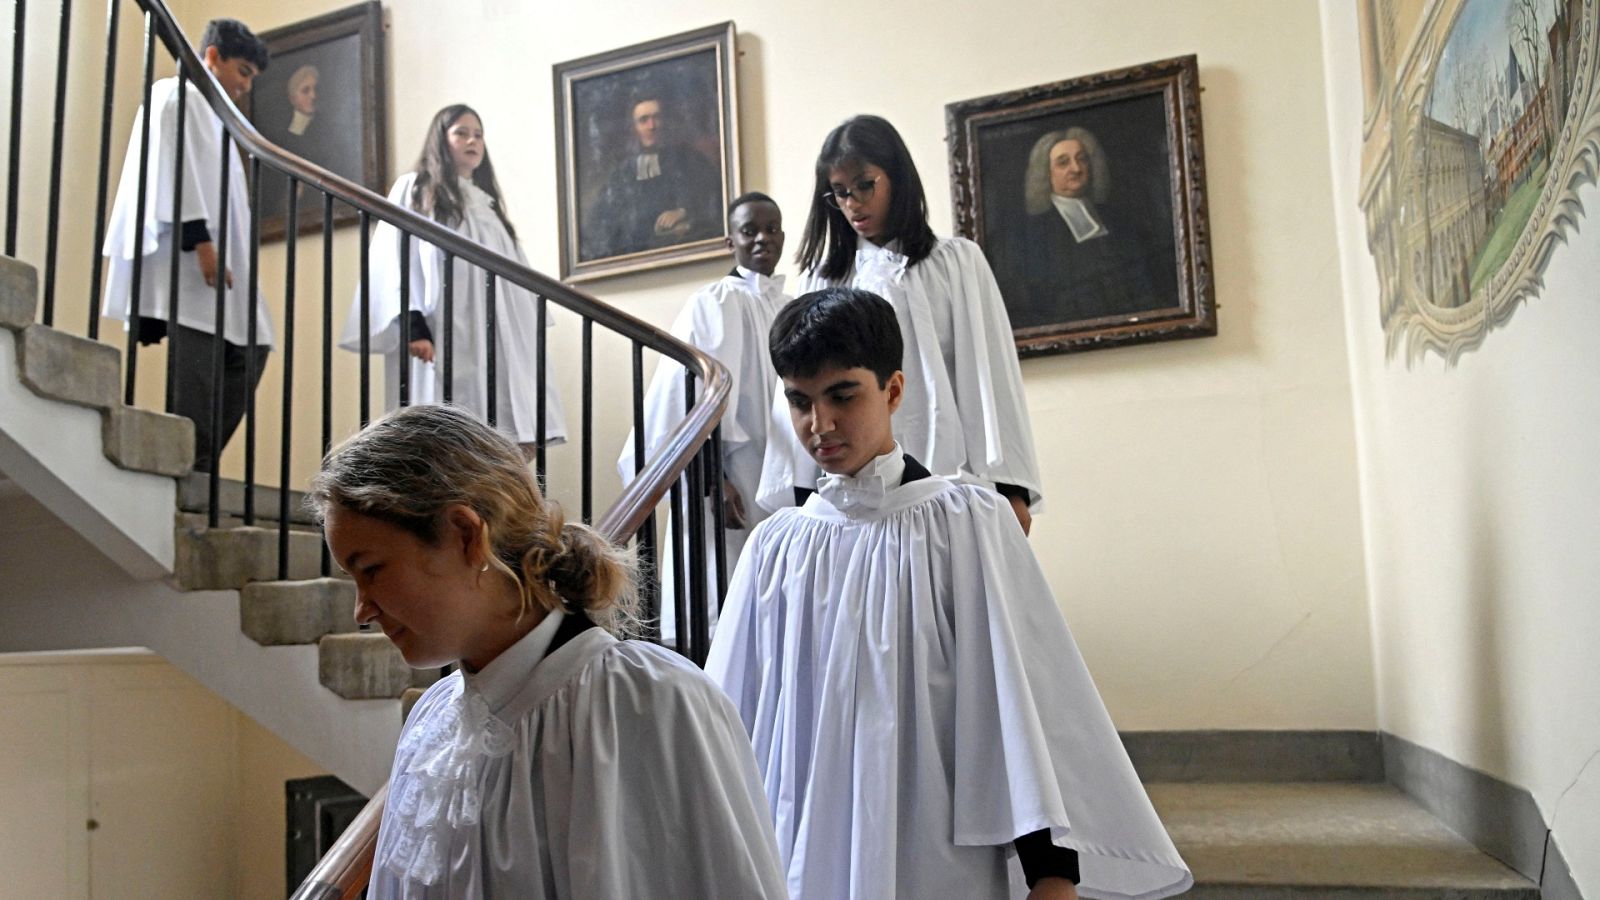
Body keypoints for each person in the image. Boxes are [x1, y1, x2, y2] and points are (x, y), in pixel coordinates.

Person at [707, 288, 1193, 900]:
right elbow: (734, 718)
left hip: (932, 843)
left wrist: (1050, 871)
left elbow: (1022, 699)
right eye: (800, 402)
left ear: (894, 390)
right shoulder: (775, 546)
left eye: (842, 395)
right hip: (801, 838)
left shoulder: (965, 522)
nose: (820, 425)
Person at [310, 404, 788, 899]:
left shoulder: (647, 702)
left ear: (465, 535)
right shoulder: (433, 723)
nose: (361, 611)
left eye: (371, 569)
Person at [763, 114, 1041, 533]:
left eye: (864, 185)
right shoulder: (821, 280)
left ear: (897, 178)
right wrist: (803, 493)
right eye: (840, 193)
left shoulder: (956, 263)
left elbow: (989, 377)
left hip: (946, 479)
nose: (853, 203)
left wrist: (1009, 488)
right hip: (848, 495)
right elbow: (801, 391)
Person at [340, 104, 565, 458]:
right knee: (451, 428)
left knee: (511, 426)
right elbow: (397, 254)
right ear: (441, 139)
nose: (473, 140)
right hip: (447, 327)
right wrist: (411, 323)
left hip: (499, 332)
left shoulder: (485, 203)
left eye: (478, 134)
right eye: (462, 132)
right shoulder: (416, 188)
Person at [618, 191, 792, 645]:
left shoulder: (789, 304)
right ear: (728, 240)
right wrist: (714, 479)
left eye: (770, 229)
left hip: (783, 469)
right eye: (749, 230)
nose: (761, 239)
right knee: (726, 607)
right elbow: (684, 400)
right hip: (728, 477)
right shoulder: (710, 304)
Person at [101, 18, 272, 473]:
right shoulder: (177, 95)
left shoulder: (213, 111)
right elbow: (172, 171)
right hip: (189, 259)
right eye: (243, 72)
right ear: (212, 57)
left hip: (214, 260)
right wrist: (201, 242)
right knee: (198, 370)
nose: (245, 86)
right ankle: (189, 467)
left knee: (253, 346)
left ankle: (195, 462)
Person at [1006, 127, 1178, 328]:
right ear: (1045, 173)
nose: (1076, 169)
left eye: (1082, 159)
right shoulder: (1032, 233)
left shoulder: (1117, 219)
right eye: (1063, 163)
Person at [582, 92, 722, 260]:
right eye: (644, 120)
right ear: (634, 128)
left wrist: (684, 211)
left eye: (657, 118)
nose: (652, 126)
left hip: (682, 251)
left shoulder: (690, 159)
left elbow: (714, 197)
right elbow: (604, 219)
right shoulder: (622, 173)